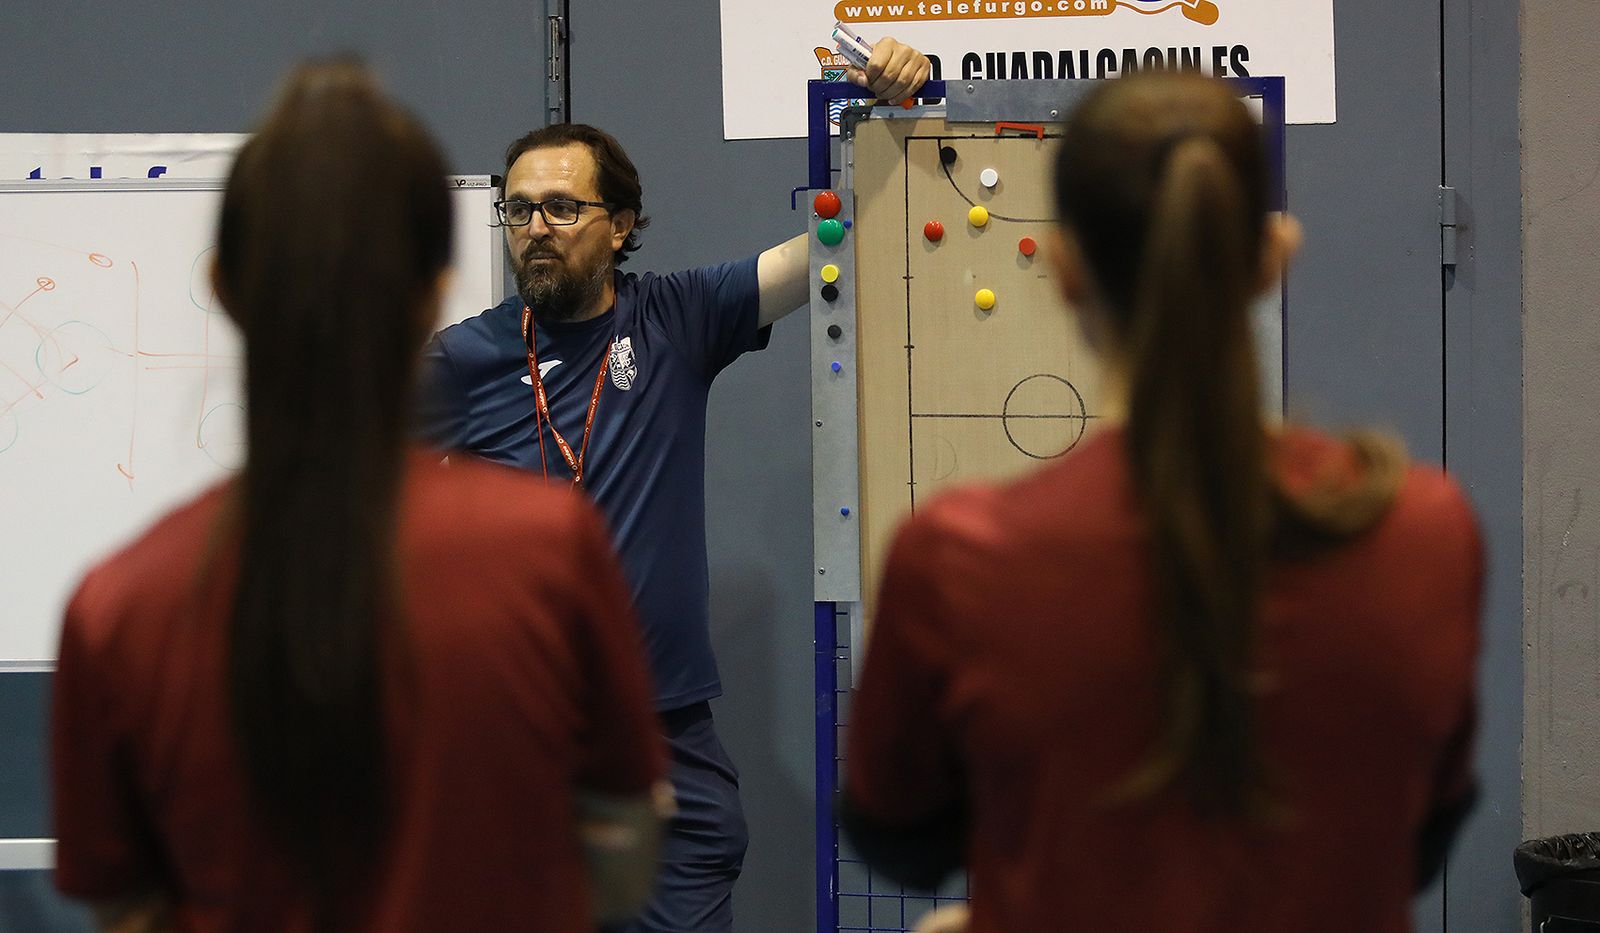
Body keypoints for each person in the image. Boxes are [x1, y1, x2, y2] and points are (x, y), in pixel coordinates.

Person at [841, 72, 1483, 933]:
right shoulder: (1421, 532)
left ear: (1064, 270)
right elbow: (1418, 837)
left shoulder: (958, 557)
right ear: (1273, 255)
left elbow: (900, 838)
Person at [50, 60, 669, 933]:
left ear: (226, 289)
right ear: (435, 292)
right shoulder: (550, 553)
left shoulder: (117, 606)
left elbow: (125, 905)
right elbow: (620, 855)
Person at [414, 39, 931, 932]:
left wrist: (890, 117)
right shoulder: (464, 359)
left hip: (663, 740)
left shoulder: (678, 318)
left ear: (619, 225)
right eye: (519, 208)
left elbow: (833, 247)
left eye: (562, 207)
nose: (535, 226)